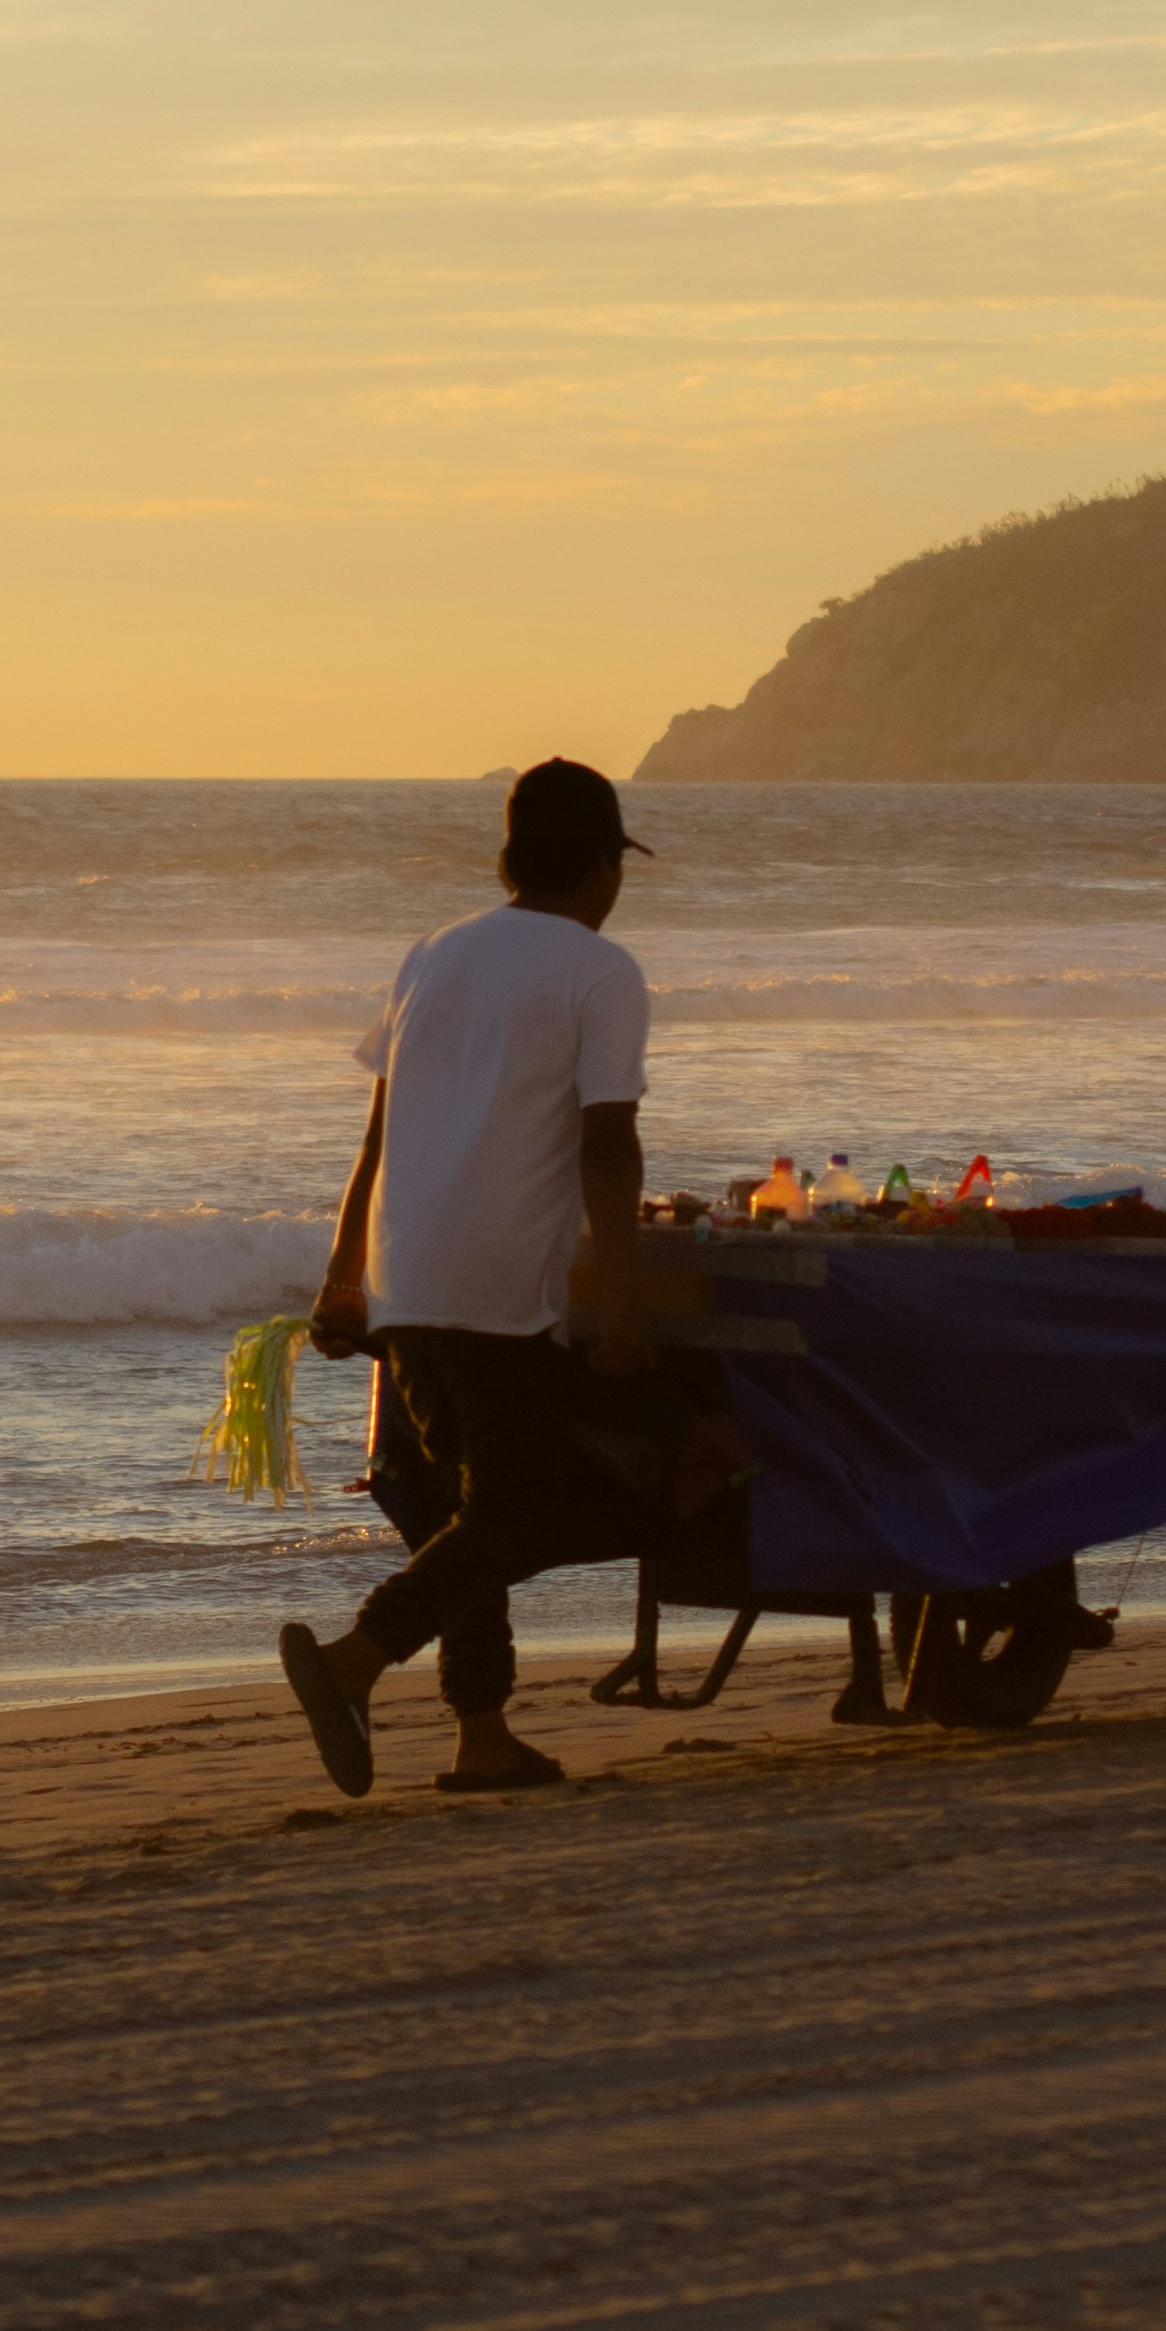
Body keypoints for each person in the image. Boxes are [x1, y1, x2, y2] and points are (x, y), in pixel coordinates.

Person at [280, 758, 687, 1796]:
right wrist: (627, 1305)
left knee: (474, 1506)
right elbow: (609, 1144)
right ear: (603, 863)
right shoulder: (601, 969)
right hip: (495, 1283)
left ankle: (484, 1737)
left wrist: (345, 1274)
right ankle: (353, 1661)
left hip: (406, 1271)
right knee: (522, 1511)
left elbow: (378, 1133)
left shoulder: (436, 951)